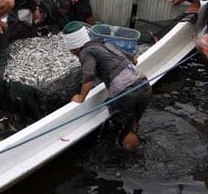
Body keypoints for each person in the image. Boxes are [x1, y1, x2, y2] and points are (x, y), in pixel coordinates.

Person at [63, 21, 152, 151]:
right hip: (145, 85)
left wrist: (81, 97)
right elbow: (134, 60)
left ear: (74, 48)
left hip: (126, 93)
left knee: (123, 130)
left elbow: (89, 76)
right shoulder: (106, 43)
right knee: (132, 122)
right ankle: (136, 143)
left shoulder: (86, 52)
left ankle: (135, 156)